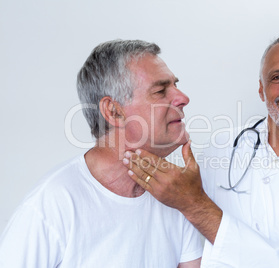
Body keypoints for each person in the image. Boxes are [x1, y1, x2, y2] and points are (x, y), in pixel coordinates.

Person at [123, 34, 279, 267]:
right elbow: (169, 224)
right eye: (277, 77)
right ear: (262, 89)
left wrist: (195, 205)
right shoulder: (220, 148)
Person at [0, 40, 202, 267]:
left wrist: (194, 204)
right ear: (114, 112)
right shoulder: (51, 207)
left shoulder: (177, 196)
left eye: (175, 85)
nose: (183, 98)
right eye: (160, 90)